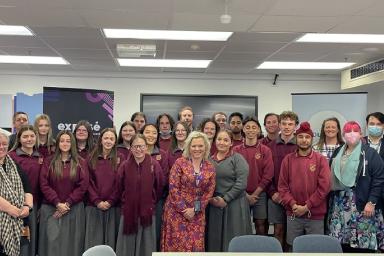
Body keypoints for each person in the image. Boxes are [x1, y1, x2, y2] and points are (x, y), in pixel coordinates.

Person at [328, 121, 384, 252]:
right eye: (348, 131)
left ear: (361, 134)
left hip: (362, 202)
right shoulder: (337, 152)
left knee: (362, 244)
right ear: (343, 134)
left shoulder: (370, 154)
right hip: (340, 203)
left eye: (355, 131)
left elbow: (379, 178)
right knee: (342, 244)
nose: (351, 134)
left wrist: (372, 202)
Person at [278, 122, 331, 249]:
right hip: (293, 213)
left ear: (312, 139)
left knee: (315, 248)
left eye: (307, 137)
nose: (304, 140)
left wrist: (307, 206)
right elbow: (282, 187)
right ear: (296, 138)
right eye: (301, 137)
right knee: (294, 247)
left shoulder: (320, 160)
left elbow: (324, 187)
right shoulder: (288, 160)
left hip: (315, 214)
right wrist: (293, 204)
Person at [161, 131, 216, 252]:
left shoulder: (209, 166)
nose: (197, 149)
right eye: (194, 146)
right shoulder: (180, 163)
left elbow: (209, 192)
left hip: (197, 213)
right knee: (177, 246)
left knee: (195, 245)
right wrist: (184, 210)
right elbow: (173, 187)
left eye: (200, 146)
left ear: (206, 147)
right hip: (176, 212)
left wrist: (195, 210)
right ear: (188, 147)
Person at [39, 131, 89, 256]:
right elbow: (44, 185)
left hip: (73, 209)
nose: (65, 143)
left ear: (72, 143)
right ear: (57, 143)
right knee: (51, 245)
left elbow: (83, 186)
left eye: (68, 141)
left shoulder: (81, 162)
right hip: (51, 209)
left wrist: (67, 203)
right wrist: (57, 203)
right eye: (62, 141)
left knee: (71, 245)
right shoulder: (48, 161)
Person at [115, 134, 163, 256]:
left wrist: (149, 201)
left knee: (146, 247)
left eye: (141, 146)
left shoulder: (154, 165)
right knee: (127, 246)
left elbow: (159, 187)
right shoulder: (124, 166)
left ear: (146, 147)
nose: (138, 149)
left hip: (147, 212)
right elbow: (119, 187)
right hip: (128, 212)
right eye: (135, 146)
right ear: (130, 148)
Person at [207, 130, 252, 251]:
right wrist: (210, 199)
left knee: (234, 239)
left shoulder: (238, 159)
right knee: (214, 239)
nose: (222, 142)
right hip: (214, 205)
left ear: (231, 143)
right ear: (215, 141)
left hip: (234, 204)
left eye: (226, 140)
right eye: (219, 139)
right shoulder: (208, 160)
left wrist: (226, 199)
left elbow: (241, 183)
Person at [233, 116, 274, 235]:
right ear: (243, 130)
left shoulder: (265, 150)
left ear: (258, 130)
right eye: (247, 127)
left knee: (261, 225)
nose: (251, 130)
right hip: (240, 194)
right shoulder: (235, 150)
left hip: (260, 194)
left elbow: (268, 174)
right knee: (240, 224)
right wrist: (245, 195)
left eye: (254, 127)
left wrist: (255, 194)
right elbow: (233, 174)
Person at [84, 128, 123, 250]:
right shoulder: (91, 157)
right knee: (93, 242)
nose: (108, 141)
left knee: (111, 243)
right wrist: (97, 201)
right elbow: (87, 182)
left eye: (111, 138)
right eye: (106, 138)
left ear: (115, 141)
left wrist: (111, 201)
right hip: (94, 207)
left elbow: (121, 182)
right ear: (100, 140)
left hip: (113, 207)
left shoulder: (121, 157)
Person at [266, 111, 298, 247]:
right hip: (276, 196)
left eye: (290, 124)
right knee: (278, 231)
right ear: (279, 125)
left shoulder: (300, 146)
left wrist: (291, 196)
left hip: (295, 198)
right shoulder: (269, 147)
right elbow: (266, 173)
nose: (287, 127)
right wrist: (272, 192)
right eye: (284, 123)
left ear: (295, 126)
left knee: (293, 234)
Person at [8, 125, 42, 256]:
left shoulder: (40, 157)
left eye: (32, 136)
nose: (29, 139)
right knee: (16, 239)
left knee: (31, 239)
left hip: (33, 205)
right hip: (14, 206)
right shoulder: (11, 157)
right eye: (25, 136)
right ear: (19, 139)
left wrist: (39, 206)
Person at [0, 132, 33, 256]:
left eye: (4, 144)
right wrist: (10, 209)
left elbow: (28, 188)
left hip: (19, 220)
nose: (2, 147)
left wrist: (27, 207)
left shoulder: (14, 165)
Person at [141, 124, 169, 250]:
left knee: (154, 233)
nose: (151, 135)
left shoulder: (162, 154)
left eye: (154, 133)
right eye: (147, 132)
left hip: (156, 201)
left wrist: (153, 199)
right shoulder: (135, 152)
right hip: (136, 202)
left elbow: (163, 180)